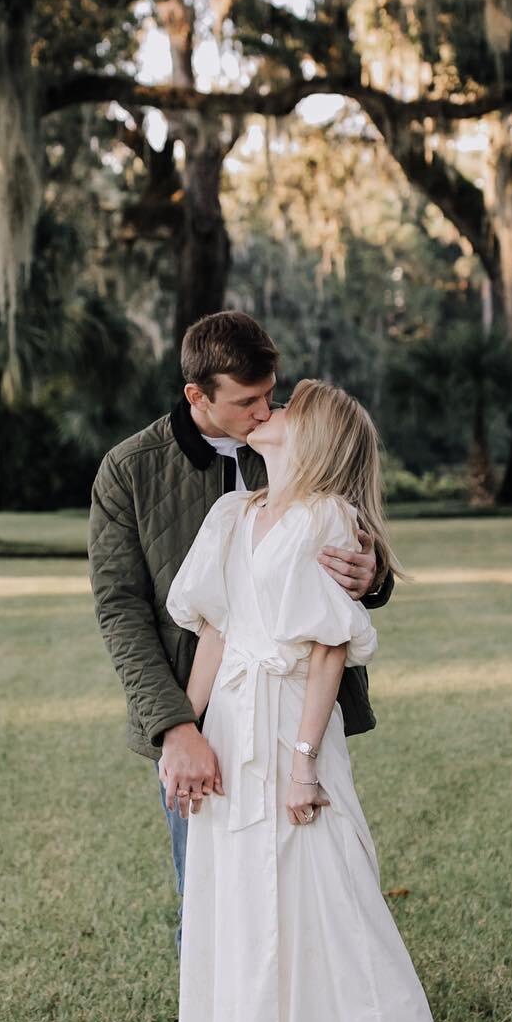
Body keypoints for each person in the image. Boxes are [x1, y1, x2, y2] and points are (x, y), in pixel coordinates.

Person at [164, 379, 468, 1022]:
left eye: (287, 409)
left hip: (294, 735)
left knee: (342, 915)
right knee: (245, 921)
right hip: (228, 734)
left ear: (320, 439)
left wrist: (302, 761)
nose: (270, 415)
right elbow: (215, 636)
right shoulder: (234, 514)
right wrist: (179, 735)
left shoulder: (331, 521)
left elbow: (331, 648)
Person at [88, 311, 393, 955]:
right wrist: (177, 728)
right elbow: (121, 612)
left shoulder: (292, 447)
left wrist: (373, 575)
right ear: (197, 395)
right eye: (247, 401)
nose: (264, 410)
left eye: (270, 394)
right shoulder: (130, 470)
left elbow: (349, 564)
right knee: (207, 888)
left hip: (292, 706)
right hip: (196, 714)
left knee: (303, 874)